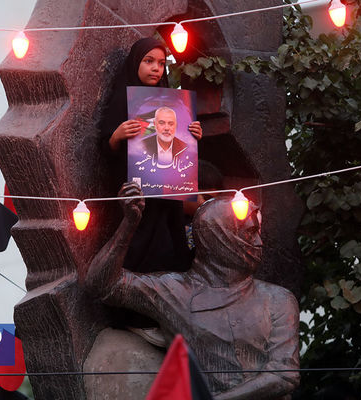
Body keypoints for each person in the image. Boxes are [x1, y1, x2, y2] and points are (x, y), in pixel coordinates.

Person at [82, 182, 300, 399]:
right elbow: (102, 284)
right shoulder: (173, 291)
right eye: (250, 233)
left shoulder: (278, 300)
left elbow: (284, 375)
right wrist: (129, 224)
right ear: (217, 237)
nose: (259, 242)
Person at [98, 37, 202, 275]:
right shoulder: (122, 99)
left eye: (161, 63)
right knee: (136, 255)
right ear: (136, 63)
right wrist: (117, 135)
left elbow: (185, 150)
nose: (156, 68)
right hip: (138, 196)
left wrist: (194, 133)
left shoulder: (175, 102)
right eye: (148, 61)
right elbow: (105, 148)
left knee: (171, 252)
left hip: (169, 199)